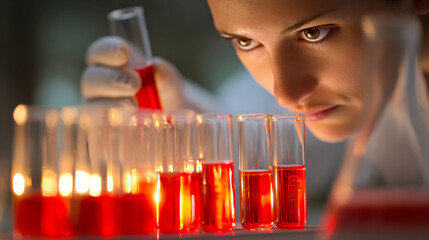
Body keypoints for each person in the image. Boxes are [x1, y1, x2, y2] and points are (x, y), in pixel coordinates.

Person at [80, 0, 429, 223]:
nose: (285, 93)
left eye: (314, 32)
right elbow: (250, 143)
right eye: (246, 42)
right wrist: (181, 122)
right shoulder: (353, 87)